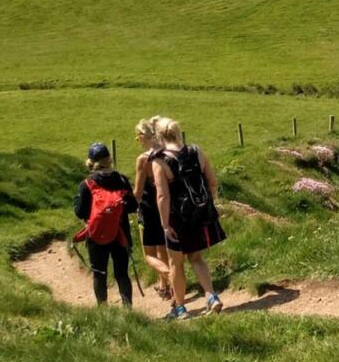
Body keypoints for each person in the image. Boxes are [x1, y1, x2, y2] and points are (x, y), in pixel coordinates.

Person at [150, 116, 226, 319]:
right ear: (177, 132)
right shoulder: (196, 151)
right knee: (197, 257)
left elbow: (163, 196)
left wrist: (165, 225)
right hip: (199, 214)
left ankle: (181, 309)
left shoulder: (159, 161)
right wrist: (206, 204)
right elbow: (212, 181)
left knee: (176, 263)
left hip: (177, 219)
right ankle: (212, 296)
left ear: (159, 136)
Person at [73, 142, 137, 308]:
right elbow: (133, 206)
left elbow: (80, 212)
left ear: (90, 162)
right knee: (122, 273)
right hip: (121, 232)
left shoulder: (87, 184)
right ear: (109, 160)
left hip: (96, 234)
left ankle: (103, 310)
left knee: (99, 273)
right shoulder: (121, 180)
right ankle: (128, 309)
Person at [132, 118, 176, 306]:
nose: (138, 142)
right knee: (162, 247)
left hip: (149, 209)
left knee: (148, 253)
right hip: (168, 206)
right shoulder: (167, 153)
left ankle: (172, 278)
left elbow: (138, 192)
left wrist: (128, 203)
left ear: (143, 137)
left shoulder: (144, 159)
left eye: (137, 138)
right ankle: (165, 284)